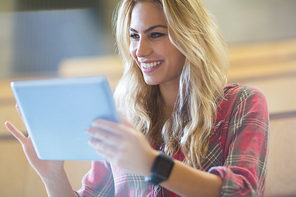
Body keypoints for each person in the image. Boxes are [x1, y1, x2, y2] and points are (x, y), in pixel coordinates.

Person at [5, 0, 269, 196]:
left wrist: (152, 164)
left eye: (155, 34)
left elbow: (242, 191)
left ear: (190, 37)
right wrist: (53, 176)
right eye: (133, 36)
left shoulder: (242, 103)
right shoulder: (122, 115)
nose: (140, 50)